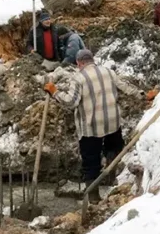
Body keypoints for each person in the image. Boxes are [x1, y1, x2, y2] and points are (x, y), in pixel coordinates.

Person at [44, 49, 133, 203]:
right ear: (92, 60)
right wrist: (144, 95)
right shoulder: (108, 72)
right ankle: (111, 173)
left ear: (79, 63)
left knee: (91, 160)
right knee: (113, 149)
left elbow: (70, 102)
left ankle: (93, 196)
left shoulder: (79, 78)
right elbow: (126, 87)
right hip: (112, 122)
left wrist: (55, 92)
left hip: (91, 126)